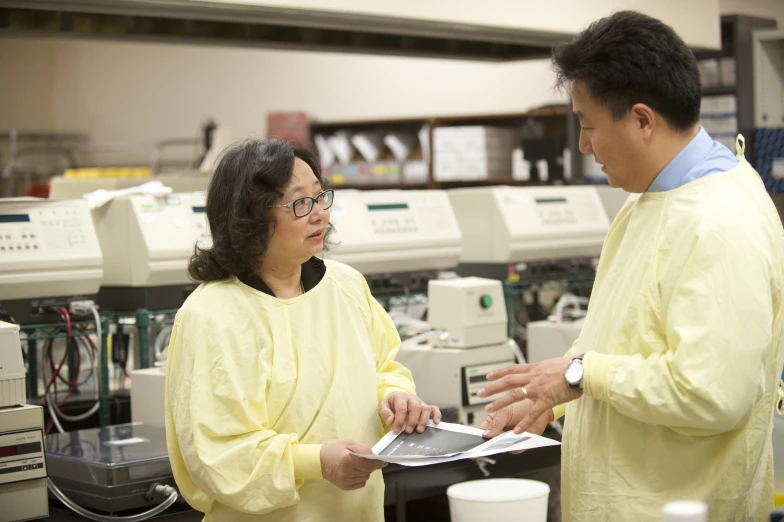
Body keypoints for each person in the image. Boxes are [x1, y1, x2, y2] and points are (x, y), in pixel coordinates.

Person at [478, 10, 784, 522]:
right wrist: (550, 398)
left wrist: (580, 374)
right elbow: (625, 340)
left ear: (643, 119)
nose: (583, 145)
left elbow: (711, 395)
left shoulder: (719, 221)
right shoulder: (651, 197)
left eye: (588, 125)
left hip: (681, 505)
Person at [164, 138, 440, 522]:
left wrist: (395, 398)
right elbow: (218, 454)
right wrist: (316, 462)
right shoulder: (212, 315)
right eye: (299, 203)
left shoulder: (345, 284)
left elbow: (382, 367)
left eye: (320, 197)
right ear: (250, 217)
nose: (319, 216)